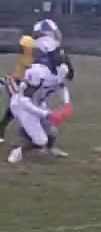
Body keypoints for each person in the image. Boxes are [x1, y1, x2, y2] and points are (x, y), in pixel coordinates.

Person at [6, 36, 72, 164]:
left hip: (37, 102)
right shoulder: (38, 72)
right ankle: (16, 149)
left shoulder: (58, 71)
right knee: (40, 140)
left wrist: (67, 104)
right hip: (22, 105)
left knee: (52, 131)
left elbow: (61, 87)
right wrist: (46, 114)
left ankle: (49, 149)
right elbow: (25, 101)